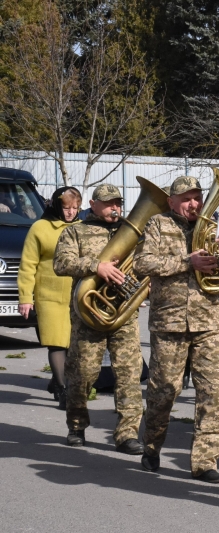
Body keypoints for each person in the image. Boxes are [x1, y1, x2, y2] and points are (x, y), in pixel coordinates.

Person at [133, 176, 219, 483]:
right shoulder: (157, 224)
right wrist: (186, 261)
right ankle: (151, 447)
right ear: (172, 201)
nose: (194, 204)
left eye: (198, 197)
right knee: (164, 391)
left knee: (211, 393)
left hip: (209, 322)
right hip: (170, 323)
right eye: (187, 198)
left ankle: (205, 462)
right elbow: (142, 263)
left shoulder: (218, 227)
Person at [52, 184, 144, 454]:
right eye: (108, 203)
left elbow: (146, 263)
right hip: (89, 315)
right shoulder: (75, 231)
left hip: (124, 313)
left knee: (129, 375)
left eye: (117, 202)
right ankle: (77, 425)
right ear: (92, 204)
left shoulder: (134, 232)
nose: (115, 207)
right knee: (83, 374)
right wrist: (96, 265)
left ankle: (127, 434)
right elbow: (61, 263)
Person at [18, 187, 82, 408]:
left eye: (75, 208)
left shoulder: (82, 228)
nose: (71, 212)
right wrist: (26, 297)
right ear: (56, 206)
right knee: (56, 344)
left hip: (76, 295)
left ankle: (57, 379)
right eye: (66, 208)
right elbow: (27, 266)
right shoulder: (39, 228)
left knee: (72, 345)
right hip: (48, 295)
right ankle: (64, 391)